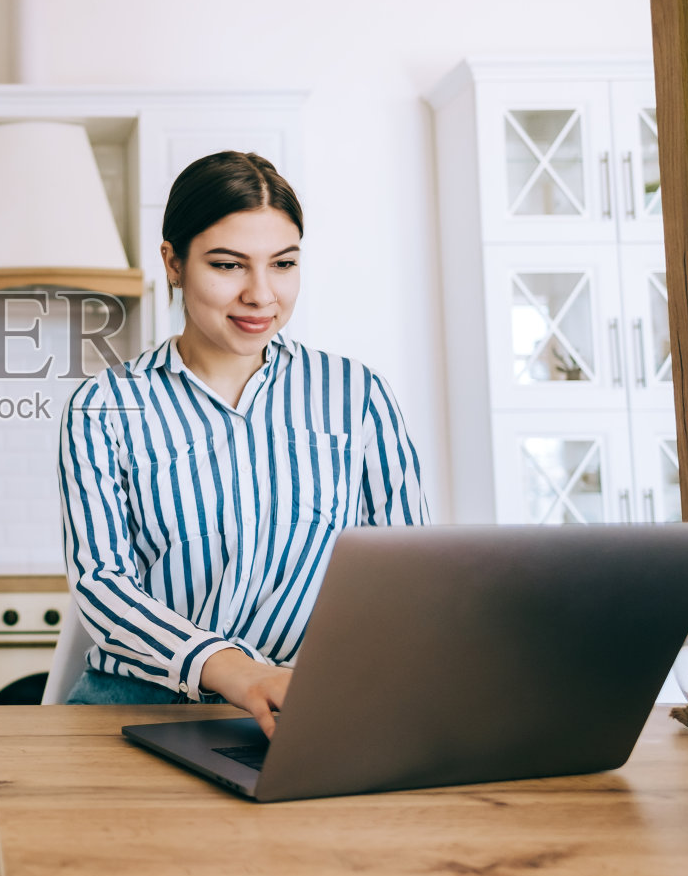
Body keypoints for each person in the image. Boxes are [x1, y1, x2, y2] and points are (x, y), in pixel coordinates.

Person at [58, 151, 428, 735]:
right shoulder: (104, 407)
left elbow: (411, 572)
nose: (261, 294)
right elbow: (103, 584)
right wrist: (239, 674)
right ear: (173, 264)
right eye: (229, 266)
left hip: (307, 705)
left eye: (282, 264)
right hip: (138, 706)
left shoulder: (356, 395)